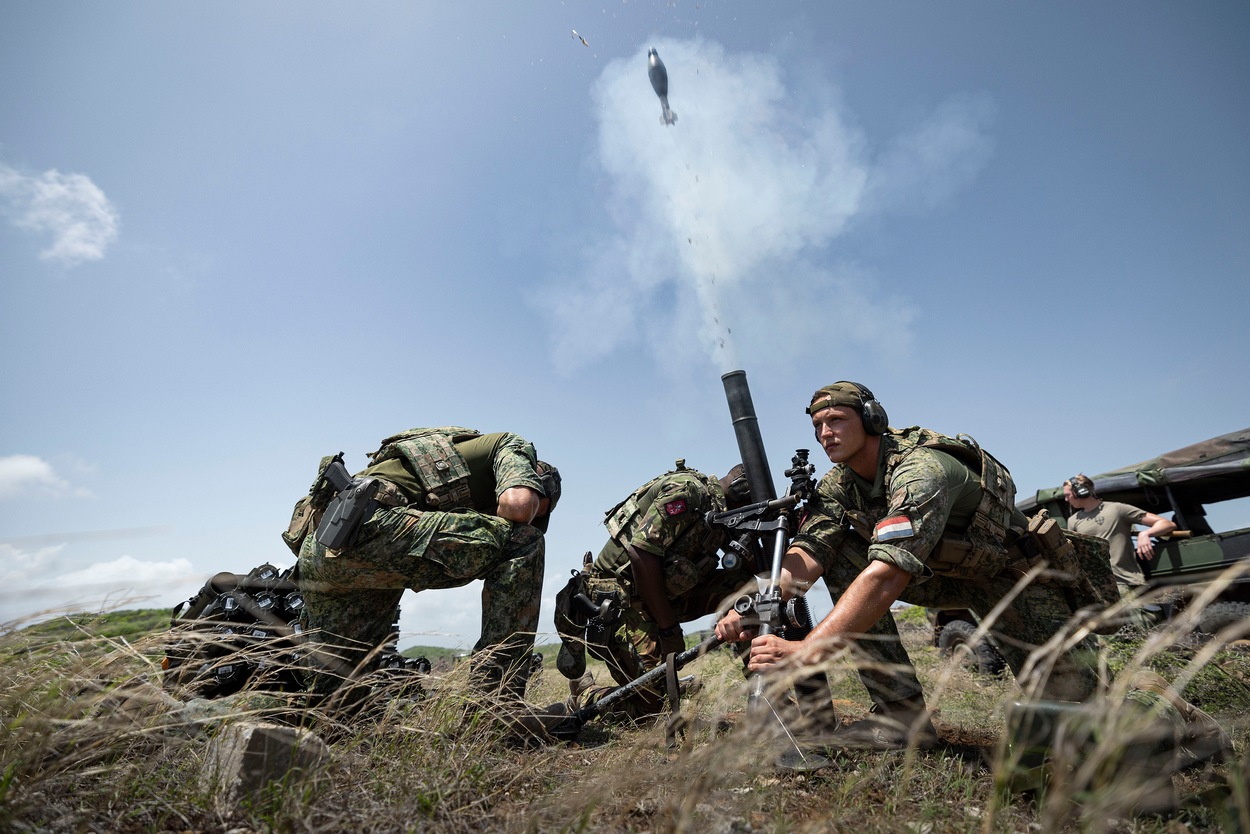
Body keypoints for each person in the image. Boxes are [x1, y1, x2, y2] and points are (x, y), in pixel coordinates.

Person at [715, 382, 1119, 747]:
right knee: (841, 556)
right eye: (818, 425)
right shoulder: (839, 485)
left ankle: (1160, 705)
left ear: (873, 419)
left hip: (1011, 578)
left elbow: (888, 574)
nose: (825, 433)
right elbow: (809, 553)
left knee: (1084, 717)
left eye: (837, 419)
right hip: (938, 577)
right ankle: (902, 717)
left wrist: (806, 651)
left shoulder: (920, 470)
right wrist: (750, 605)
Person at [291, 426, 559, 704]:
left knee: (335, 702)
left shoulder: (439, 469)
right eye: (541, 506)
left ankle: (261, 721)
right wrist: (526, 506)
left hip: (326, 548)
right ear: (539, 480)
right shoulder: (512, 446)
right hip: (370, 529)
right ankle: (495, 712)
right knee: (524, 542)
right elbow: (517, 506)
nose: (531, 516)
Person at [555, 460, 754, 719]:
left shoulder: (722, 515)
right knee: (652, 711)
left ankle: (767, 693)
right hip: (621, 603)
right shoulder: (689, 492)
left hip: (661, 594)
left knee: (743, 587)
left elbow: (754, 569)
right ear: (738, 491)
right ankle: (586, 692)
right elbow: (641, 554)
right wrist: (668, 628)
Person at [1064, 474, 1176, 629]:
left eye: (1068, 495)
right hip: (1097, 588)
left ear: (1081, 491)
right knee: (1112, 644)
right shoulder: (1073, 520)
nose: (1066, 499)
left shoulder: (1117, 509)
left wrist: (1146, 533)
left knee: (1148, 633)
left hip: (1126, 583)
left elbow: (1165, 523)